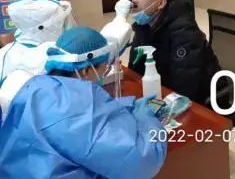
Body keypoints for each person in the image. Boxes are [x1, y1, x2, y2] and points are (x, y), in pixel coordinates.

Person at [0, 27, 166, 178]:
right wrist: (148, 119)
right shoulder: (79, 105)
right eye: (104, 69)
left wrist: (127, 105)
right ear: (86, 70)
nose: (104, 74)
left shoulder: (36, 86)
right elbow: (142, 162)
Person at [128, 0, 221, 104]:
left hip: (204, 100)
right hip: (162, 89)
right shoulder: (143, 25)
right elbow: (135, 68)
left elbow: (186, 84)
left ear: (161, 3)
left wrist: (157, 104)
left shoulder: (184, 31)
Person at [0, 0, 73, 85]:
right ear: (42, 28)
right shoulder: (61, 55)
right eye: (62, 22)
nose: (65, 26)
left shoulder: (5, 53)